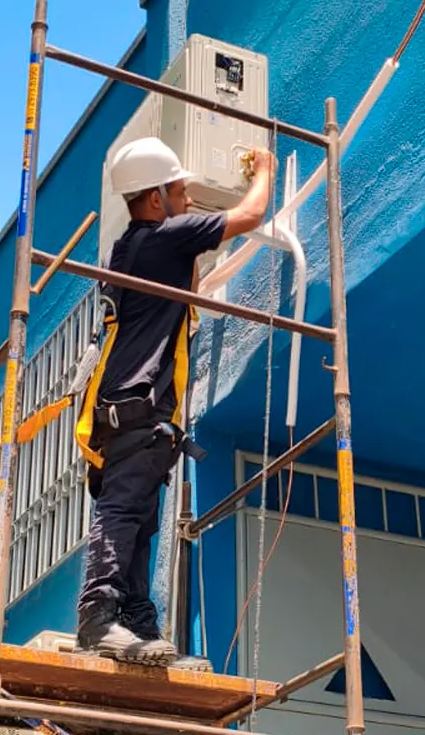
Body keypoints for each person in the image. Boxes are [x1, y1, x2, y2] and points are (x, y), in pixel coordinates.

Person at [73, 135, 275, 667]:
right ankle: (98, 619)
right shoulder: (162, 239)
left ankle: (137, 629)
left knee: (141, 519)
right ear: (157, 198)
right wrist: (265, 168)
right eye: (181, 192)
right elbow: (252, 213)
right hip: (136, 407)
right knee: (123, 511)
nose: (188, 201)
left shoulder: (137, 251)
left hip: (138, 413)